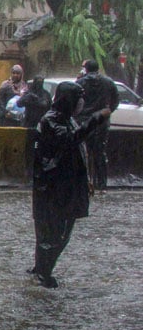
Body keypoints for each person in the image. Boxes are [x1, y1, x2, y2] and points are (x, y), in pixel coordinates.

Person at [30, 81, 111, 288]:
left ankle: (42, 268)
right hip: (53, 187)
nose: (81, 102)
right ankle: (43, 271)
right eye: (78, 98)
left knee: (58, 231)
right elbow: (70, 141)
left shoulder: (68, 119)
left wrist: (87, 181)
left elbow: (79, 151)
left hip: (67, 185)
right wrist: (95, 120)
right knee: (54, 233)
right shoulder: (51, 121)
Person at [76, 59, 119, 189]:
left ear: (87, 69)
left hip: (85, 120)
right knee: (100, 152)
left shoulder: (81, 82)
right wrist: (108, 111)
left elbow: (74, 100)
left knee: (85, 151)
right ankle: (102, 184)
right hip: (102, 120)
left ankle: (86, 182)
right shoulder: (108, 82)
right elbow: (116, 99)